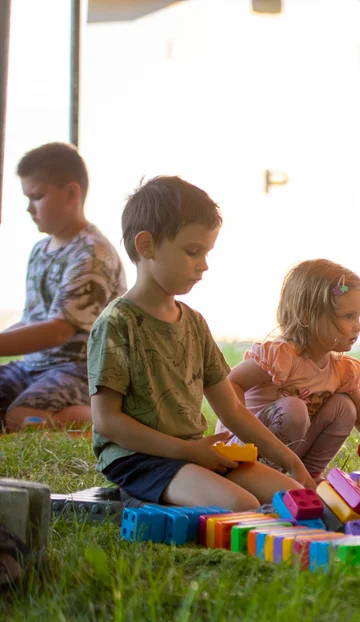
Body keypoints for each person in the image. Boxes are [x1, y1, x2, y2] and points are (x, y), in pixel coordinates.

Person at [88, 176, 314, 511]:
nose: (204, 265)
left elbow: (233, 408)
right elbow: (107, 422)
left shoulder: (193, 323)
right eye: (193, 251)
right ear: (146, 245)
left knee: (294, 498)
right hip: (138, 459)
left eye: (206, 252)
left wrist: (290, 461)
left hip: (194, 452)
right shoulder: (116, 324)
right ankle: (139, 498)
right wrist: (189, 452)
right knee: (241, 506)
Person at [219, 259, 360, 479]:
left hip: (290, 453)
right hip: (247, 450)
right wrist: (233, 431)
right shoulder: (282, 356)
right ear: (307, 316)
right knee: (294, 409)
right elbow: (231, 382)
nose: (358, 326)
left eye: (359, 316)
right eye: (348, 316)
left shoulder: (341, 369)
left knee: (345, 407)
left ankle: (309, 474)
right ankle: (266, 476)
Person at [0, 142, 126, 431]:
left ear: (71, 193)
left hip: (81, 370)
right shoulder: (39, 250)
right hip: (33, 366)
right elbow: (32, 321)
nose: (29, 208)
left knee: (21, 419)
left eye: (37, 196)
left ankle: (106, 419)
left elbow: (58, 330)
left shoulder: (92, 253)